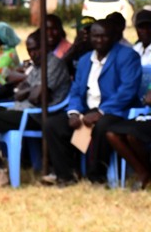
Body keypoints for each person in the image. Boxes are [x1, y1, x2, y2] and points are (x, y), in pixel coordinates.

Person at [0, 30, 72, 187]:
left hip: (35, 115)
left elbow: (37, 96)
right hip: (19, 108)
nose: (33, 54)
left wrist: (28, 91)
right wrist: (29, 90)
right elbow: (18, 94)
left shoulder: (53, 64)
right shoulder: (36, 66)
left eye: (36, 49)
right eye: (29, 50)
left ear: (45, 46)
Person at [42, 19, 142, 185]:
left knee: (102, 125)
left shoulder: (127, 56)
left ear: (113, 37)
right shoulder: (85, 60)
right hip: (87, 110)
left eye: (104, 36)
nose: (99, 40)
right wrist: (74, 113)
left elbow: (128, 90)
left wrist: (101, 112)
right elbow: (76, 90)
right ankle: (67, 175)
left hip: (116, 111)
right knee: (52, 125)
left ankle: (96, 177)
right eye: (95, 36)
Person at [104, 87, 151, 189]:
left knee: (133, 135)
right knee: (112, 134)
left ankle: (146, 174)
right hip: (146, 118)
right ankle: (142, 172)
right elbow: (148, 98)